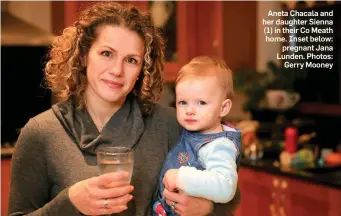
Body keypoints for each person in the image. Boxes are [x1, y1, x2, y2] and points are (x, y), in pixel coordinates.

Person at [8, 2, 240, 216]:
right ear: (84, 55)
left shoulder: (171, 124)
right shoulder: (41, 133)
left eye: (131, 60)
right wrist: (69, 202)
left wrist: (206, 208)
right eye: (106, 54)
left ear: (142, 68)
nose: (117, 70)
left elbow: (229, 196)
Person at [153, 56, 241, 216]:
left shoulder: (219, 145)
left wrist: (181, 177)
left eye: (201, 103)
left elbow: (226, 186)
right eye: (183, 102)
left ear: (224, 108)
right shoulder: (192, 131)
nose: (190, 110)